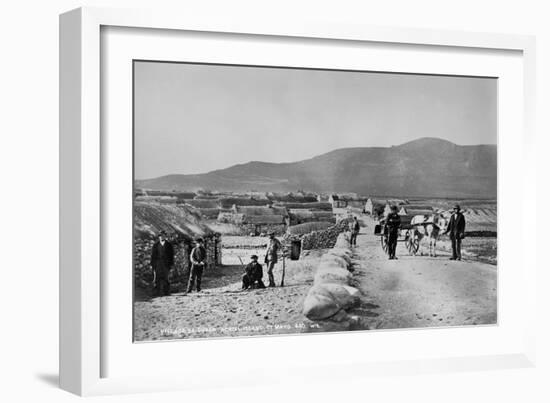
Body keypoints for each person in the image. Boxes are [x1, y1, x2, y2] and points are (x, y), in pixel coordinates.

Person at [150, 230, 175, 297]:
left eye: (163, 235)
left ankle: (166, 292)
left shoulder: (169, 245)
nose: (161, 237)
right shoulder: (155, 245)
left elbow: (171, 255)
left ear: (165, 236)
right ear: (159, 237)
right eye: (160, 236)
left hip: (166, 264)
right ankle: (156, 293)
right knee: (156, 278)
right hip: (158, 264)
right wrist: (152, 265)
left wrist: (171, 265)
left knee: (166, 278)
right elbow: (153, 255)